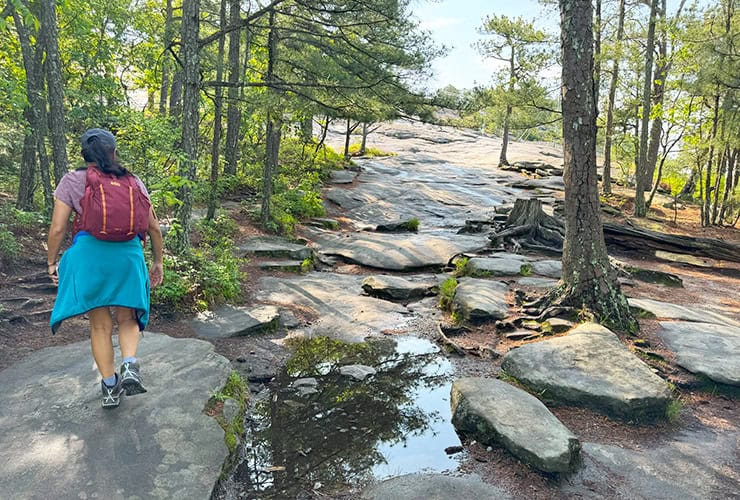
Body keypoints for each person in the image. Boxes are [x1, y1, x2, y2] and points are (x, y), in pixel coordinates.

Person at [47, 128, 164, 409]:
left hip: (89, 257)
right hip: (128, 257)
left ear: (84, 153)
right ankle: (130, 364)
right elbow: (154, 228)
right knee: (127, 318)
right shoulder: (133, 181)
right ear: (114, 151)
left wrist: (52, 261)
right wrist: (158, 261)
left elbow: (58, 228)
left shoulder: (73, 180)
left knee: (100, 325)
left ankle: (110, 388)